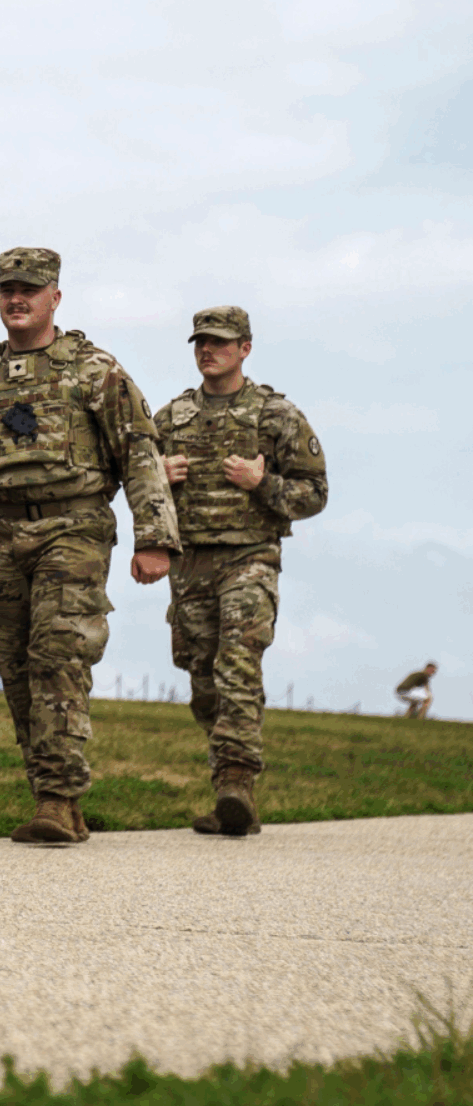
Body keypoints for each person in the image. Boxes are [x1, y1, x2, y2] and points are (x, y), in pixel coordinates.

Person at [0, 248, 179, 845]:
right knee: (14, 668)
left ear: (55, 298)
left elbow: (140, 453)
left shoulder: (95, 370)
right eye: (7, 290)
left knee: (59, 655)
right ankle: (54, 794)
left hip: (75, 528)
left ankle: (57, 797)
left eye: (30, 290)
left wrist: (156, 539)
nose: (16, 300)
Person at [155, 306, 328, 837]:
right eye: (202, 343)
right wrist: (158, 477)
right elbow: (136, 488)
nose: (209, 351)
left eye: (222, 343)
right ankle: (231, 773)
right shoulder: (170, 419)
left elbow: (315, 494)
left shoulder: (277, 416)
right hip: (189, 566)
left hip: (250, 558)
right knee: (204, 680)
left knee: (238, 665)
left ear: (245, 348)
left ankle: (236, 785)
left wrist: (264, 484)